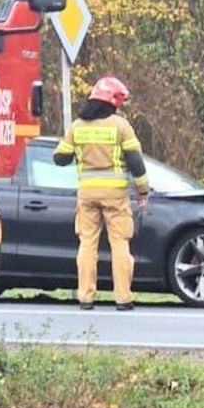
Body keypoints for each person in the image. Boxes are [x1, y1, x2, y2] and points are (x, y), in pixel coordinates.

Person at [52, 76, 150, 311]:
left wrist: (80, 151)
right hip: (115, 196)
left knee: (87, 245)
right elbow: (136, 162)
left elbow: (59, 158)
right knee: (119, 245)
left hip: (87, 195)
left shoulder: (77, 126)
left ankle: (85, 297)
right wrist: (143, 191)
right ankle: (123, 298)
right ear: (112, 101)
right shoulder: (120, 126)